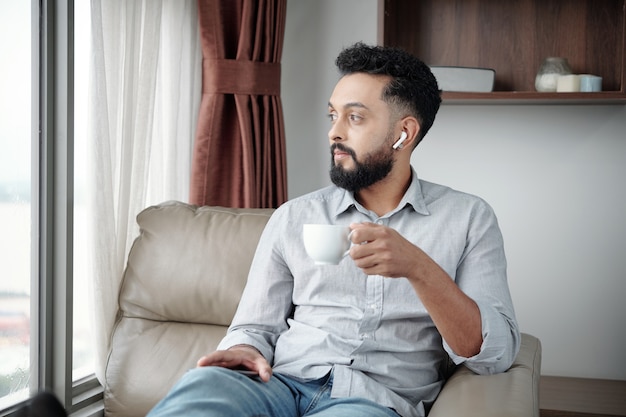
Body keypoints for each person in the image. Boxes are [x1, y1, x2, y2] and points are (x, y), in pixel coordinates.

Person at [147, 42, 520, 417]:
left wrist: (418, 268)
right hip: (274, 385)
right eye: (332, 116)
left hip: (371, 401)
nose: (334, 133)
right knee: (201, 392)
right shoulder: (294, 217)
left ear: (404, 133)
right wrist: (244, 350)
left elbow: (494, 355)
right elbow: (254, 327)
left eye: (354, 118)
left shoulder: (469, 218)